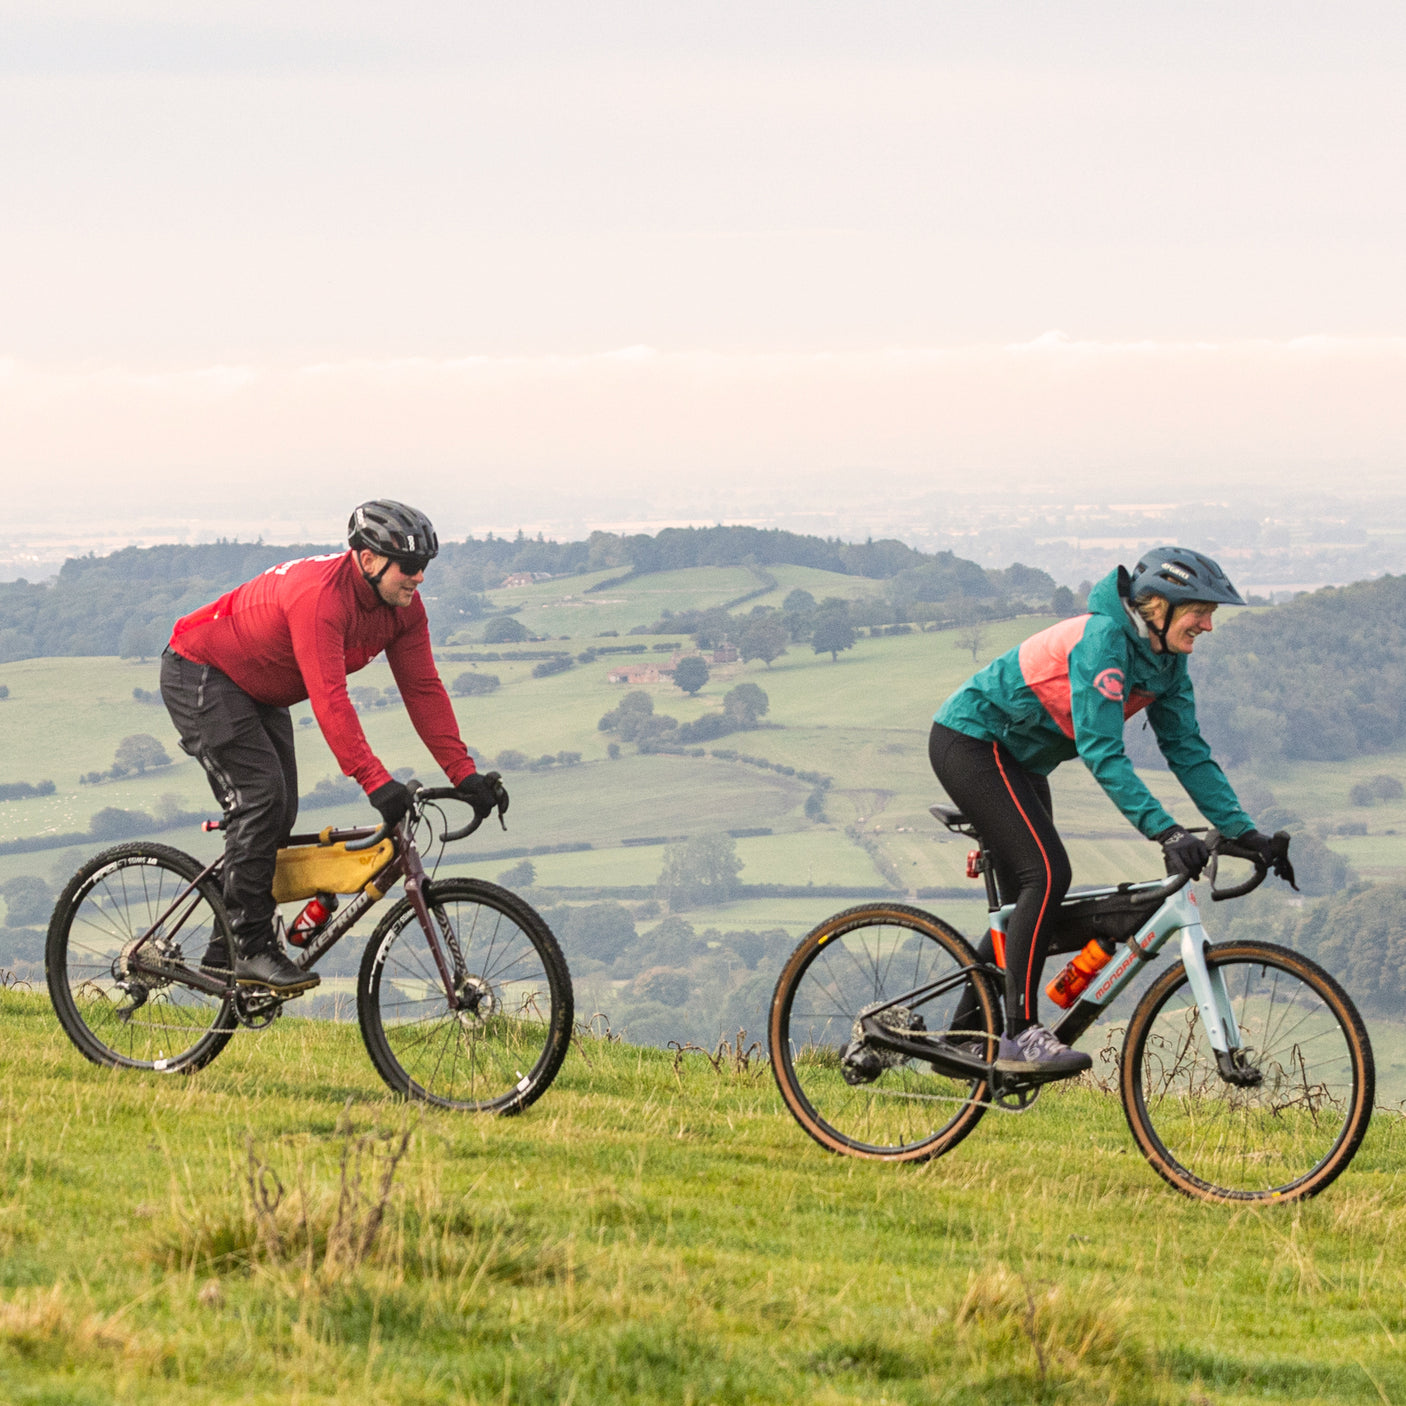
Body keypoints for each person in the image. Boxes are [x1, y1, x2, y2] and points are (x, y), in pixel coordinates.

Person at [931, 546, 1292, 1079]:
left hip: (1021, 760)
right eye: (1202, 611)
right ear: (1160, 606)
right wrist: (1165, 830)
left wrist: (1245, 832)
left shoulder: (1168, 661)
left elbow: (1187, 750)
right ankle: (1020, 1034)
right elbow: (1102, 750)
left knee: (1024, 908)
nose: (1210, 626)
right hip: (972, 742)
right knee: (1046, 874)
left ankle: (963, 1040)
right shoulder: (1103, 639)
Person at [160, 500, 503, 995]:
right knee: (260, 799)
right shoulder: (320, 598)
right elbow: (329, 697)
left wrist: (464, 774)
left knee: (278, 813)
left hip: (259, 689)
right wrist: (375, 779)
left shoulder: (403, 610)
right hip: (201, 671)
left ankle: (223, 951)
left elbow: (423, 689)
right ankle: (250, 949)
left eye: (425, 567)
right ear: (368, 560)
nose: (420, 578)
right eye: (409, 567)